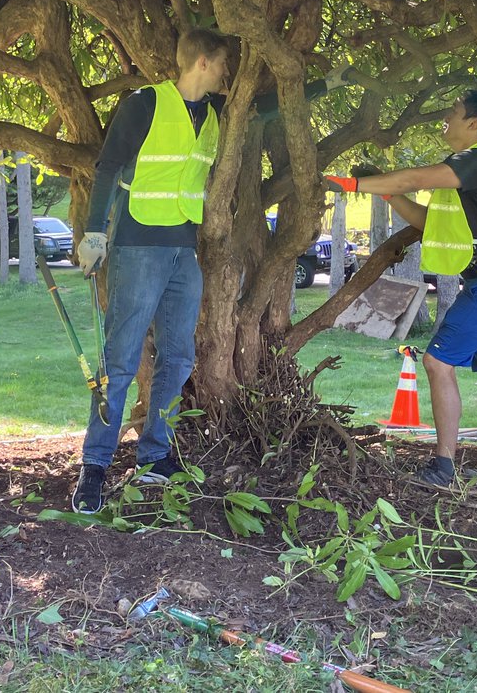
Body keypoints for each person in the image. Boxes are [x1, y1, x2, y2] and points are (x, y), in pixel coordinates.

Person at [70, 29, 350, 514]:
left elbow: (263, 106)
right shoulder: (145, 104)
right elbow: (108, 166)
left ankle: (155, 458)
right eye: (223, 66)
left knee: (177, 359)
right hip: (138, 245)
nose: (227, 76)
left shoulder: (216, 115)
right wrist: (94, 236)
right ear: (202, 62)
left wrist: (330, 83)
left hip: (183, 248)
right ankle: (94, 467)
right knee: (119, 360)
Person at [324, 89, 477, 495]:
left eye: (453, 113)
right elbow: (428, 221)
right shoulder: (467, 172)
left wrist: (350, 183)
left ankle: (443, 466)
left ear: (473, 124)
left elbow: (414, 177)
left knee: (438, 363)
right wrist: (389, 194)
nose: (446, 119)